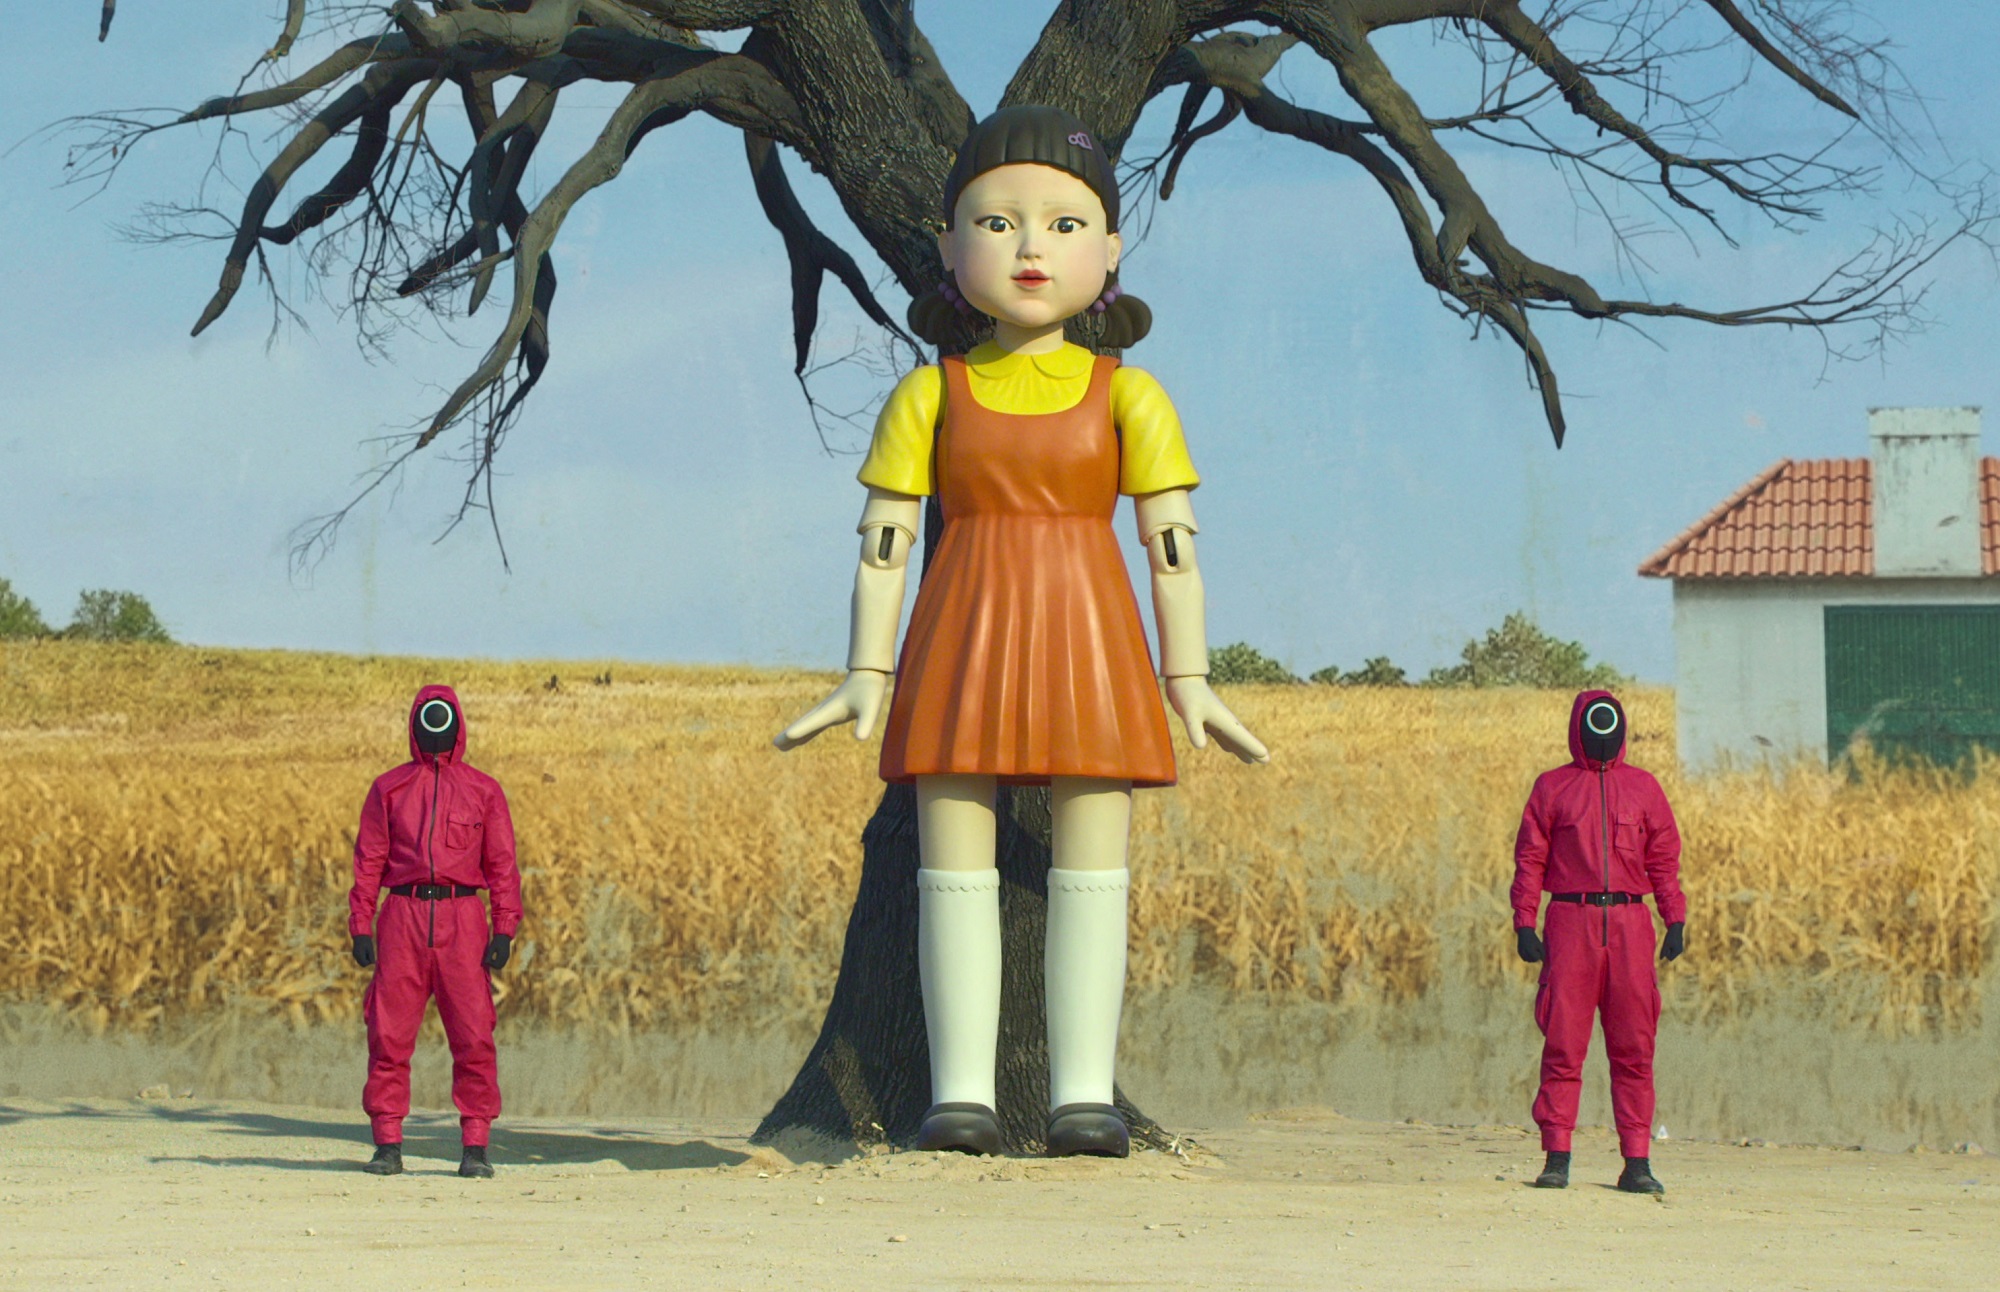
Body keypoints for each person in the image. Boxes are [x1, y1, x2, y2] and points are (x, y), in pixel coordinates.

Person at [775, 105, 1267, 1159]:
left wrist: (1190, 675)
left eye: (1059, 222)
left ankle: (1080, 1092)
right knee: (951, 842)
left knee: (1096, 841)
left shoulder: (1130, 396)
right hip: (961, 631)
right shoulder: (928, 393)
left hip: (1093, 633)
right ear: (951, 250)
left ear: (1110, 250)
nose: (1030, 246)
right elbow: (882, 543)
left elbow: (1170, 545)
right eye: (996, 224)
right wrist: (866, 667)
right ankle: (961, 1091)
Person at [1511, 689, 1686, 1193]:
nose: (1601, 732)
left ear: (1621, 728)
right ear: (1579, 728)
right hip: (1570, 922)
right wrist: (1524, 921)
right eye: (1594, 723)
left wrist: (1674, 917)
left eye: (1608, 724)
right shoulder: (1551, 789)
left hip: (1631, 926)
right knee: (1564, 1044)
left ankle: (1637, 1162)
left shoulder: (1645, 789)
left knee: (1635, 1048)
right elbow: (1530, 859)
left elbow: (1664, 860)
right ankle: (1557, 1157)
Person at [349, 684, 522, 1178]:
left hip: (462, 920)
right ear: (415, 725)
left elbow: (502, 865)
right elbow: (369, 861)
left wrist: (504, 928)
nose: (435, 726)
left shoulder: (484, 791)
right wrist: (362, 924)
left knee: (473, 1035)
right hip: (401, 918)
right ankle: (387, 1143)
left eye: (442, 718)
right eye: (428, 717)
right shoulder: (389, 789)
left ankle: (475, 1147)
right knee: (388, 1035)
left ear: (457, 724)